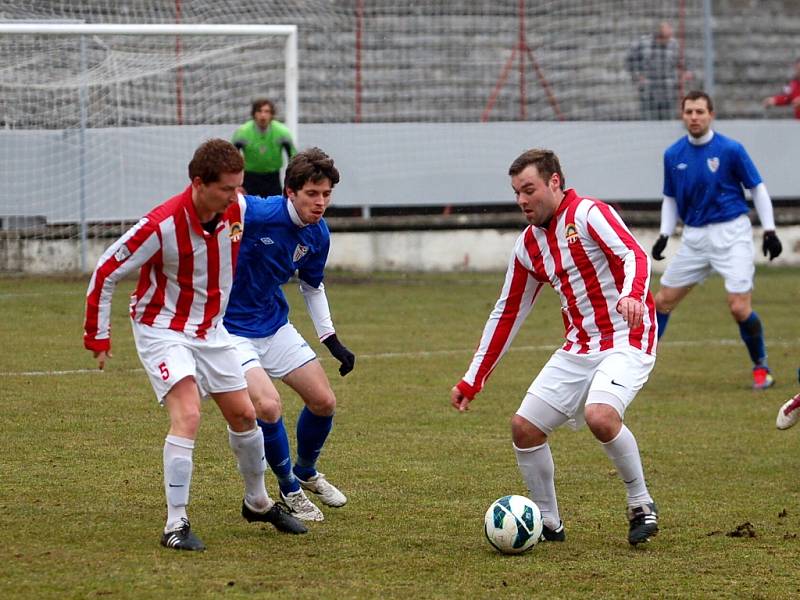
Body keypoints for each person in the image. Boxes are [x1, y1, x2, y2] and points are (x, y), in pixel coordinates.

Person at [83, 138, 307, 552]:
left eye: (239, 187)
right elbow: (106, 269)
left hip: (212, 329)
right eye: (227, 188)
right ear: (199, 183)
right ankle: (175, 523)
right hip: (163, 328)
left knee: (245, 414)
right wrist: (97, 335)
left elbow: (284, 208)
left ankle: (257, 503)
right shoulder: (161, 224)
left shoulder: (237, 208)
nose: (235, 196)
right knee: (188, 413)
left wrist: (312, 197)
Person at [450, 149, 660, 546]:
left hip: (626, 337)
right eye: (516, 193)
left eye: (529, 190)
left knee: (600, 416)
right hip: (579, 346)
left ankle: (640, 503)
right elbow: (507, 312)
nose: (522, 201)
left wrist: (632, 294)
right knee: (524, 428)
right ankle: (547, 521)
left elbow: (633, 253)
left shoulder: (589, 214)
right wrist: (473, 378)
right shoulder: (528, 246)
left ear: (555, 183)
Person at [223, 147, 355, 522]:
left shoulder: (318, 234)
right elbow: (229, 203)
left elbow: (312, 286)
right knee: (267, 406)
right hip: (230, 331)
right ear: (291, 193)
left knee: (324, 401)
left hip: (273, 324)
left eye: (326, 194)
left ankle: (306, 471)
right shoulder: (260, 212)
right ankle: (288, 488)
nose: (320, 202)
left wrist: (331, 340)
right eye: (312, 194)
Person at [651, 91, 783, 390]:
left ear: (711, 114)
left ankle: (761, 367)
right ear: (682, 115)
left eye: (700, 111)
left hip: (732, 234)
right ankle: (638, 365)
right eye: (689, 112)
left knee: (738, 307)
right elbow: (670, 198)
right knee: (662, 302)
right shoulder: (673, 155)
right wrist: (663, 233)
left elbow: (757, 189)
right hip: (694, 237)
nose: (694, 117)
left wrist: (770, 230)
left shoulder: (731, 149)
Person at [232, 98, 297, 197]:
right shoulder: (242, 132)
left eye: (266, 111)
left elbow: (293, 157)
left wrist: (293, 181)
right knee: (248, 208)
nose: (263, 115)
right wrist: (234, 183)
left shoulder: (282, 132)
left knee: (274, 206)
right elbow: (231, 158)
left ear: (272, 114)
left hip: (272, 178)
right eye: (259, 111)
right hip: (250, 178)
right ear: (254, 114)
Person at [625, 21, 681, 120]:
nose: (668, 40)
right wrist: (637, 76)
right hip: (648, 92)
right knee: (649, 123)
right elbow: (630, 60)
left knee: (668, 123)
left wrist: (685, 75)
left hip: (668, 92)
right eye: (666, 37)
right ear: (658, 35)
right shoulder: (643, 44)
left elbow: (683, 64)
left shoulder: (674, 45)